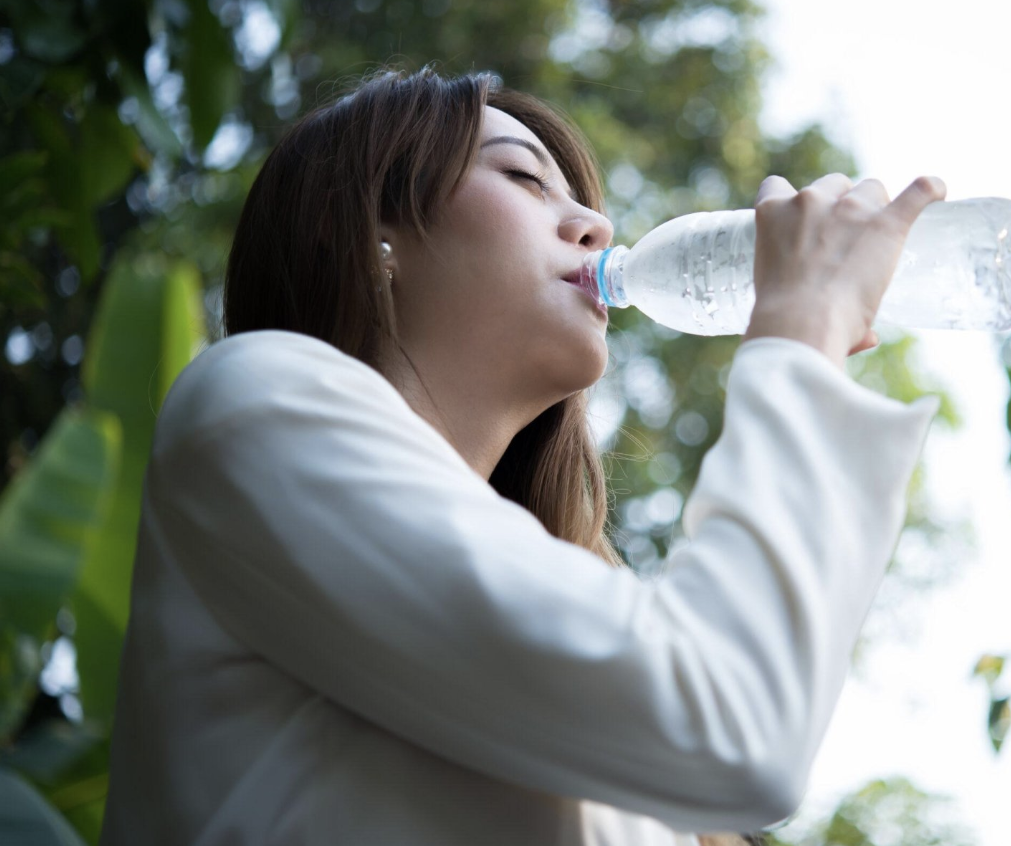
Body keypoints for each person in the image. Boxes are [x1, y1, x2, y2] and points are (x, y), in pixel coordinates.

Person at [98, 66, 945, 846]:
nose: (596, 224)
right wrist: (802, 337)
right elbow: (735, 730)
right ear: (370, 235)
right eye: (524, 177)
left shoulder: (580, 615)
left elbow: (743, 724)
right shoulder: (250, 403)